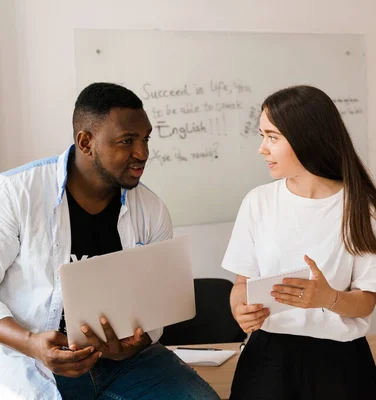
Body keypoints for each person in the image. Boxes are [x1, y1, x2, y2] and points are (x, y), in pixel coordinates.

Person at [0, 83, 219, 399]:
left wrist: (134, 345)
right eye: (127, 141)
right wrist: (32, 344)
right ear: (86, 142)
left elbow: (159, 306)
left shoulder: (152, 210)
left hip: (125, 361)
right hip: (31, 355)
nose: (142, 153)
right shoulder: (16, 194)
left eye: (145, 139)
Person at [222, 85, 376, 399]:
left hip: (339, 361)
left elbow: (366, 301)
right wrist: (240, 309)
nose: (262, 148)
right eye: (262, 136)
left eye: (272, 137)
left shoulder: (359, 206)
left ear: (307, 138)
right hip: (268, 356)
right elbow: (241, 283)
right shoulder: (258, 202)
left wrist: (327, 298)